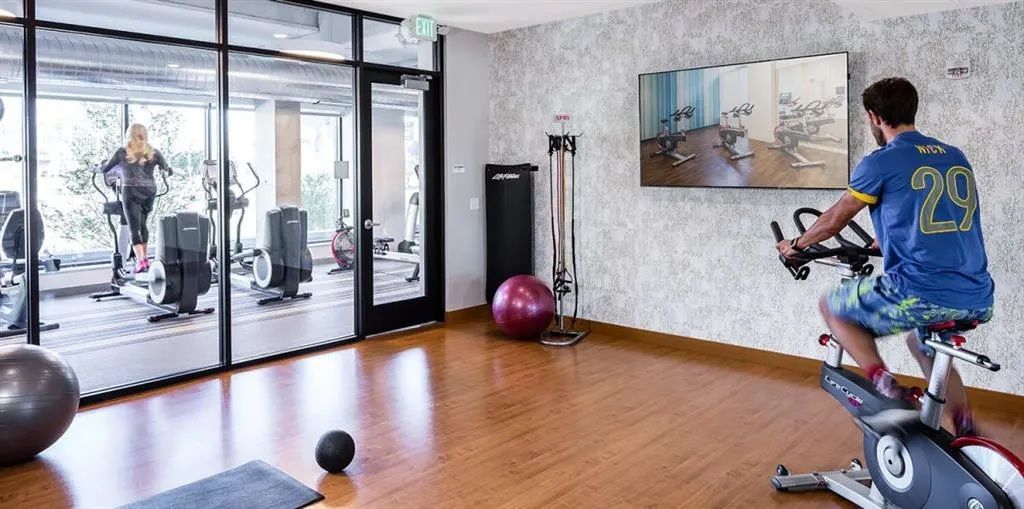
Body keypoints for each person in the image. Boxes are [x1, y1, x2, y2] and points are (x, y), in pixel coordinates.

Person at [776, 77, 994, 437]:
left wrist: (796, 246)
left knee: (833, 306)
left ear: (874, 116)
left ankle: (885, 387)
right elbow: (941, 217)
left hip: (920, 292)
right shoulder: (955, 156)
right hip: (977, 295)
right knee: (920, 340)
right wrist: (890, 238)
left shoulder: (880, 162)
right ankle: (964, 423)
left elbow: (833, 221)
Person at [100, 124, 172, 274]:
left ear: (129, 135)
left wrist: (96, 167)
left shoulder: (122, 152)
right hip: (149, 191)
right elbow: (167, 169)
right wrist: (166, 170)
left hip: (131, 191)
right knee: (143, 224)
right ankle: (145, 259)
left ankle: (141, 261)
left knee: (134, 228)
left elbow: (105, 168)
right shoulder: (154, 152)